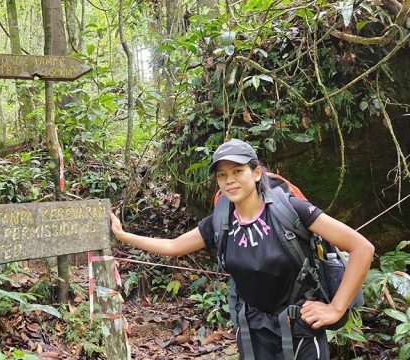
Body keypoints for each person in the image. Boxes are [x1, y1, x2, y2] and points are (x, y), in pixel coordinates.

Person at [110, 139, 374, 359]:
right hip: (253, 329)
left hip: (299, 327)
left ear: (256, 173)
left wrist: (336, 308)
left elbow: (361, 247)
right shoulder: (221, 220)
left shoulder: (291, 210)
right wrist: (123, 236)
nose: (229, 180)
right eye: (222, 175)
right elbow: (173, 246)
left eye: (238, 171)